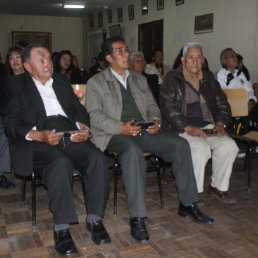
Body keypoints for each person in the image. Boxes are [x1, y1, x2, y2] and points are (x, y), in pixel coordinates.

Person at [86, 37, 213, 244]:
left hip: (142, 130)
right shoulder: (96, 82)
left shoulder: (139, 79)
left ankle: (188, 204)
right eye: (119, 51)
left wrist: (155, 121)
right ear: (108, 57)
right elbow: (94, 116)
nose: (126, 54)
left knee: (180, 145)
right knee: (133, 153)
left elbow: (153, 107)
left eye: (126, 50)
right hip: (113, 134)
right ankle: (137, 218)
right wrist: (121, 127)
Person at [2, 43, 110, 256]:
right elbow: (10, 123)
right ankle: (62, 229)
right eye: (41, 60)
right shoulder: (15, 85)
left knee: (97, 158)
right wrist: (37, 134)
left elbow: (79, 109)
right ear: (27, 66)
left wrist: (84, 128)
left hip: (69, 132)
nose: (48, 64)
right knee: (60, 163)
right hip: (39, 139)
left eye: (49, 59)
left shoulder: (61, 80)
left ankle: (95, 219)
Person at [160, 42, 239, 204]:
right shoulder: (172, 78)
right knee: (200, 149)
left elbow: (223, 103)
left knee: (229, 146)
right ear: (183, 59)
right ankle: (192, 194)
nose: (196, 61)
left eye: (199, 57)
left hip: (207, 126)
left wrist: (220, 123)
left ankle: (218, 187)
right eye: (191, 57)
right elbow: (168, 107)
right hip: (181, 128)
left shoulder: (208, 78)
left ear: (203, 60)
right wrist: (187, 127)